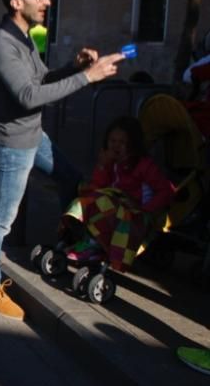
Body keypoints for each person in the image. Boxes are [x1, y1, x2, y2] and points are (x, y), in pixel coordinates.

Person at [0, 0, 124, 320]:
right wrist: (88, 76)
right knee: (1, 219)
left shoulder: (24, 39)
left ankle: (69, 244)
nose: (47, 2)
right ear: (17, 2)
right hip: (12, 145)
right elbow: (28, 96)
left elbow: (40, 80)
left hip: (33, 137)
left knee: (71, 178)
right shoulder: (0, 44)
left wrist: (72, 67)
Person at [60, 116, 174, 271]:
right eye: (112, 141)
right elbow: (98, 186)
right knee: (88, 194)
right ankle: (79, 235)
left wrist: (146, 209)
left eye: (122, 142)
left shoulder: (144, 165)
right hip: (116, 207)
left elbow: (165, 191)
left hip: (137, 213)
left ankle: (94, 245)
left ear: (133, 145)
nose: (116, 146)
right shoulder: (112, 162)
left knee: (102, 201)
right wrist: (102, 166)